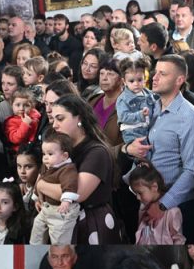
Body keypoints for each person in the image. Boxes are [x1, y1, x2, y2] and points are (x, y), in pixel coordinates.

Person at [124, 55, 194, 243]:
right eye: (155, 72)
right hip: (147, 198)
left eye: (163, 73)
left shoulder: (190, 118)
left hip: (175, 204)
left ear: (179, 80)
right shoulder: (150, 108)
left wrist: (162, 205)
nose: (154, 77)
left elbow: (191, 171)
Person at [48, 95, 123, 244]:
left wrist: (41, 186)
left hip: (91, 223)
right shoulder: (61, 150)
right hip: (63, 220)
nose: (55, 125)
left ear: (79, 118)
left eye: (60, 119)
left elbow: (77, 193)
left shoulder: (96, 152)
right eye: (53, 119)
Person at [30, 130, 80, 245]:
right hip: (47, 207)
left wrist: (66, 201)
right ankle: (35, 246)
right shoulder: (47, 165)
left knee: (59, 238)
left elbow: (70, 185)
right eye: (44, 154)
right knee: (37, 229)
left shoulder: (67, 169)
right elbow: (39, 182)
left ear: (64, 156)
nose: (45, 158)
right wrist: (37, 198)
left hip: (62, 211)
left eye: (50, 154)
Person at [128, 165, 185, 245]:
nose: (137, 197)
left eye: (140, 193)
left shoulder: (172, 212)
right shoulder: (142, 208)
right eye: (135, 193)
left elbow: (179, 240)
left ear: (154, 187)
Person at [116, 56, 157, 145]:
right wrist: (140, 114)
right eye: (131, 81)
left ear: (144, 78)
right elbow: (123, 117)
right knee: (141, 151)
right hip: (132, 132)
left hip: (148, 130)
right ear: (124, 81)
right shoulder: (123, 99)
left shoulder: (149, 94)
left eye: (140, 80)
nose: (136, 84)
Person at [88, 59, 123, 146]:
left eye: (110, 74)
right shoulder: (92, 100)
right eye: (102, 73)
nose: (104, 78)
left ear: (121, 79)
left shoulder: (127, 106)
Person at [4, 89, 41, 154]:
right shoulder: (10, 122)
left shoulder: (36, 117)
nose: (21, 108)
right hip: (21, 152)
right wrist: (25, 124)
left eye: (26, 105)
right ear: (12, 105)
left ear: (32, 106)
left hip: (37, 148)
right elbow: (15, 139)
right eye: (18, 105)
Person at [16, 143, 41, 223]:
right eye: (19, 166)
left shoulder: (42, 192)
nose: (22, 171)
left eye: (28, 167)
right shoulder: (18, 187)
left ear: (39, 167)